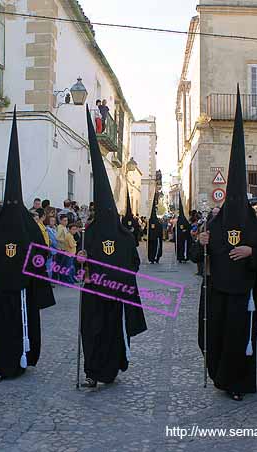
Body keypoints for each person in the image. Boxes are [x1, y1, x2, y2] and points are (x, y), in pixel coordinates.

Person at [196, 90, 257, 402]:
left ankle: (238, 384)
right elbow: (203, 252)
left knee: (238, 339)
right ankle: (219, 376)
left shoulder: (253, 225)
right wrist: (201, 241)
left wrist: (252, 252)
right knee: (217, 337)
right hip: (218, 293)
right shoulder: (217, 222)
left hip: (243, 296)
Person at [0, 109, 55, 384]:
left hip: (23, 290)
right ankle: (3, 365)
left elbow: (41, 253)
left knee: (23, 326)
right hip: (2, 290)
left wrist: (33, 276)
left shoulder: (29, 226)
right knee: (1, 329)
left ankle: (24, 359)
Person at [78, 106, 147, 388]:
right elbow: (78, 263)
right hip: (93, 293)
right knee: (92, 333)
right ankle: (92, 372)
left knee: (113, 334)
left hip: (115, 295)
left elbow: (134, 265)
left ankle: (113, 366)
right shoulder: (89, 233)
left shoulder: (125, 237)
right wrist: (79, 258)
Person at [147, 192, 163, 264]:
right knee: (154, 248)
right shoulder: (156, 222)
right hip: (155, 238)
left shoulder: (150, 221)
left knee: (152, 248)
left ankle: (152, 258)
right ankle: (155, 258)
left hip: (152, 238)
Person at [175, 195, 191, 262]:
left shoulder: (180, 219)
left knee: (182, 247)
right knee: (182, 247)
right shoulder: (184, 220)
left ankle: (180, 257)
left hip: (182, 237)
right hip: (183, 236)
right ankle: (183, 257)